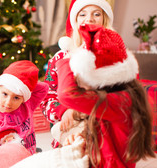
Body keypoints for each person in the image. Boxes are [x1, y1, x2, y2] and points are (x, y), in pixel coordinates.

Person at [36, 23, 157, 168]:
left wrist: (66, 61)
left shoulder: (122, 101)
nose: (78, 84)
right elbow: (106, 137)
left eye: (81, 78)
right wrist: (81, 140)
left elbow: (67, 96)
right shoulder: (115, 98)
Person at [40, 0, 114, 148]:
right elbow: (47, 96)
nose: (89, 19)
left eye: (97, 14)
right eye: (82, 14)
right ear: (75, 21)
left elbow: (121, 98)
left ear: (104, 20)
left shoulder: (114, 57)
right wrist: (64, 111)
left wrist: (81, 110)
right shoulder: (61, 58)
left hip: (101, 126)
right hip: (68, 130)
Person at [0, 60, 48, 154]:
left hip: (30, 155)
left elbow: (44, 88)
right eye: (5, 94)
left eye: (16, 97)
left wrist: (27, 84)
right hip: (9, 162)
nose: (8, 103)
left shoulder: (27, 105)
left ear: (23, 98)